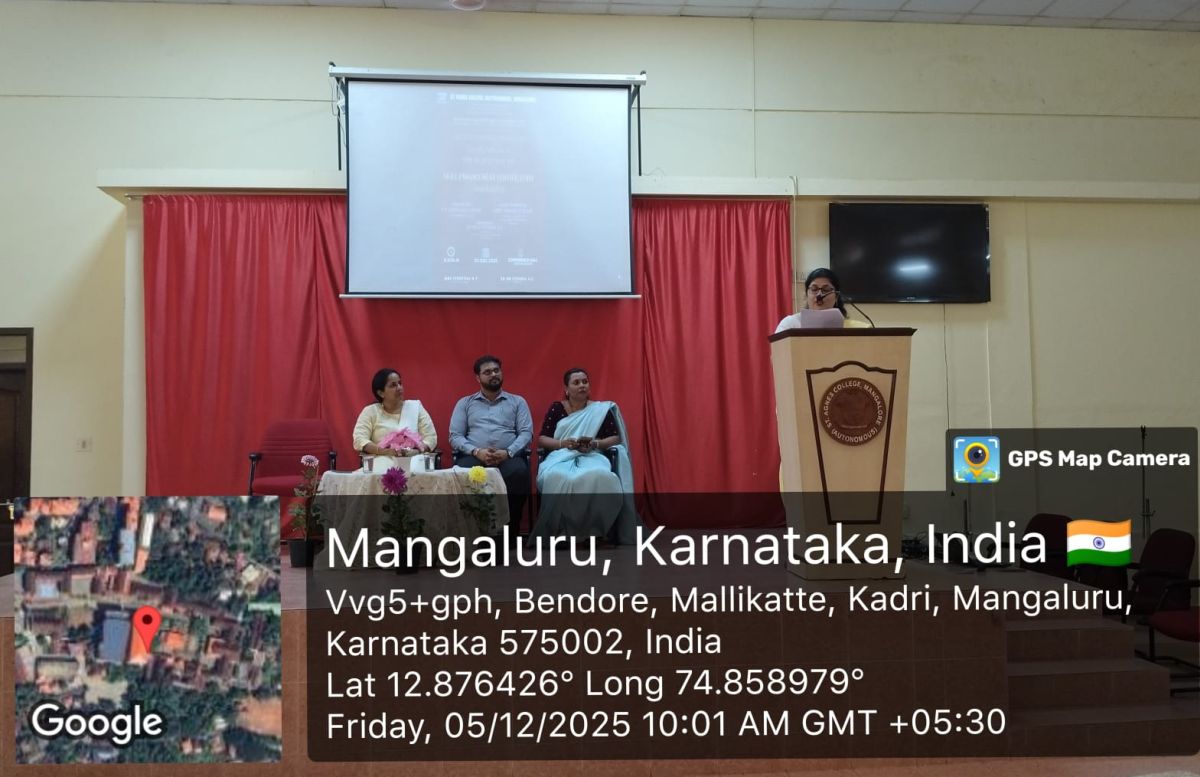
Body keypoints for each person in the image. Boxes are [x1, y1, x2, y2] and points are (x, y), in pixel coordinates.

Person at [532, 368, 639, 545]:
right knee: (557, 477)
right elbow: (542, 439)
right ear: (566, 389)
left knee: (601, 476)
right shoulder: (557, 408)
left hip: (592, 456)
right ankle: (562, 532)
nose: (582, 385)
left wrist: (594, 444)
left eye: (585, 382)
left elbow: (615, 437)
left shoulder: (600, 409)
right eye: (576, 382)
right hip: (561, 456)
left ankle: (594, 531)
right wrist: (564, 443)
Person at [449, 355, 534, 528]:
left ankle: (510, 531)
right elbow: (455, 436)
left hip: (508, 456)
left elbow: (526, 433)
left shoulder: (517, 402)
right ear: (478, 378)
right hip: (474, 456)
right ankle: (474, 532)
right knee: (462, 474)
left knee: (518, 473)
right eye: (487, 372)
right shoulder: (465, 403)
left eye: (496, 370)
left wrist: (508, 452)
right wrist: (476, 451)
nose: (493, 374)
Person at [352, 369, 437, 466]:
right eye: (393, 385)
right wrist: (386, 451)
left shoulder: (415, 407)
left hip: (414, 462)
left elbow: (431, 438)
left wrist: (417, 451)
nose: (399, 388)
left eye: (400, 383)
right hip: (381, 464)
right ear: (381, 393)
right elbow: (360, 439)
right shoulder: (370, 411)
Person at [774, 267, 870, 332]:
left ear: (836, 296)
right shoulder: (790, 324)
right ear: (806, 295)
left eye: (826, 290)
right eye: (814, 289)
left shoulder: (854, 329)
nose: (819, 294)